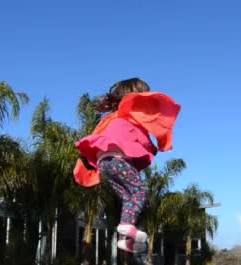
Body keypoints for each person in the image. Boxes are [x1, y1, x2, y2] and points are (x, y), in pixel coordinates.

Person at [73, 78, 181, 254]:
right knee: (139, 191)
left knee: (128, 196)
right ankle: (126, 226)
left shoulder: (112, 118)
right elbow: (149, 135)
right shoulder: (131, 117)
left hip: (104, 163)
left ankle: (125, 239)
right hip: (118, 160)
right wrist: (157, 145)